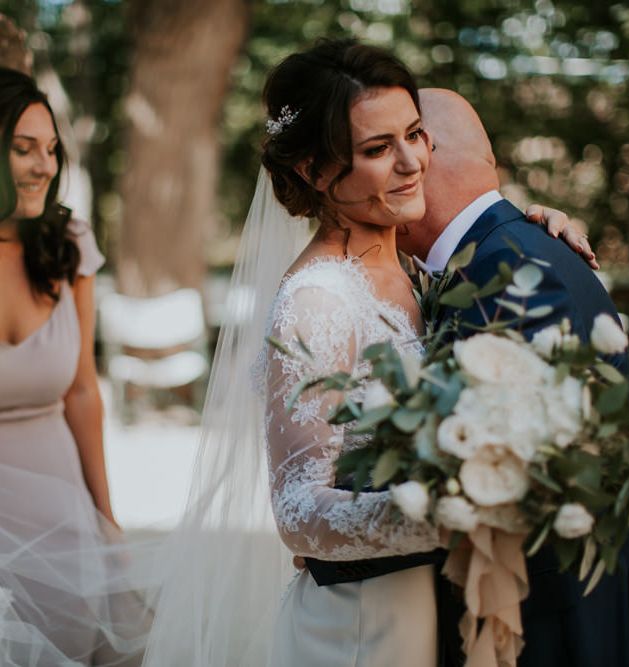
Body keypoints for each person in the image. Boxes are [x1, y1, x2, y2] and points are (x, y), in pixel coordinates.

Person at [142, 39, 597, 667]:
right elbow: (299, 512)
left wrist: (527, 233)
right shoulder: (318, 302)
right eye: (378, 150)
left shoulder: (414, 269)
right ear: (313, 170)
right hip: (359, 629)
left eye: (415, 134)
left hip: (425, 613)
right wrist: (456, 512)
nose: (413, 162)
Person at [396, 87, 629, 667]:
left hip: (557, 617)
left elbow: (522, 475)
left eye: (401, 144)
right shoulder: (504, 250)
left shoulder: (513, 267)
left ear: (426, 152)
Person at [0, 67, 152, 666]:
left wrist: (106, 523)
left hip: (58, 504)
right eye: (22, 148)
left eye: (51, 150)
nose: (44, 166)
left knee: (89, 646)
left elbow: (83, 392)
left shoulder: (68, 244)